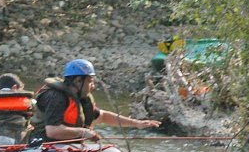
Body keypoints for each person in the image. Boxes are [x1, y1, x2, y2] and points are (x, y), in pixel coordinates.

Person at [31, 59, 161, 141]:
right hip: (43, 142)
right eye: (90, 82)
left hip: (68, 145)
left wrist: (136, 123)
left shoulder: (81, 98)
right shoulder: (56, 97)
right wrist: (84, 132)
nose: (93, 86)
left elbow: (102, 116)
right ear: (78, 81)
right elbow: (52, 131)